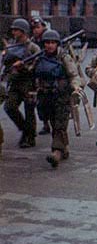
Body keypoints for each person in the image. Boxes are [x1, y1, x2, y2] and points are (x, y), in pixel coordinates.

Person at [34, 30, 82, 168]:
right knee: (53, 123)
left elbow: (74, 74)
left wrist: (76, 87)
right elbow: (32, 72)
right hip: (46, 96)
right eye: (47, 43)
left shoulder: (64, 58)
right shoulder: (39, 57)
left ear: (57, 44)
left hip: (62, 96)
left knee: (60, 124)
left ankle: (57, 152)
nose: (49, 45)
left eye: (52, 43)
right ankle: (64, 148)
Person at [2, 18, 40, 148]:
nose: (13, 32)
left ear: (23, 31)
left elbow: (36, 66)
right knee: (9, 107)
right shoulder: (12, 45)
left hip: (28, 82)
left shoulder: (33, 47)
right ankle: (25, 130)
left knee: (29, 111)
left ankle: (30, 138)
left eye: (16, 30)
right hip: (14, 82)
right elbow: (6, 63)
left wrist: (23, 67)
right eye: (13, 29)